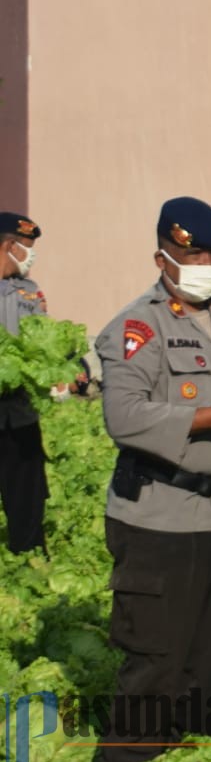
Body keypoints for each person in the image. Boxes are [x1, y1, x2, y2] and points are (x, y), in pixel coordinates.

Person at [94, 197, 211, 762]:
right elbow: (124, 416)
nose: (207, 263)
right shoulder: (137, 328)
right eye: (195, 253)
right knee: (156, 659)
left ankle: (195, 753)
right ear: (163, 257)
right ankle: (127, 758)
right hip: (159, 515)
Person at [0, 212, 50, 554]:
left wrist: (69, 366)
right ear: (8, 246)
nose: (30, 256)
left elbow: (47, 339)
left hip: (18, 408)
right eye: (27, 248)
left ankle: (29, 552)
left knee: (27, 485)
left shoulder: (29, 291)